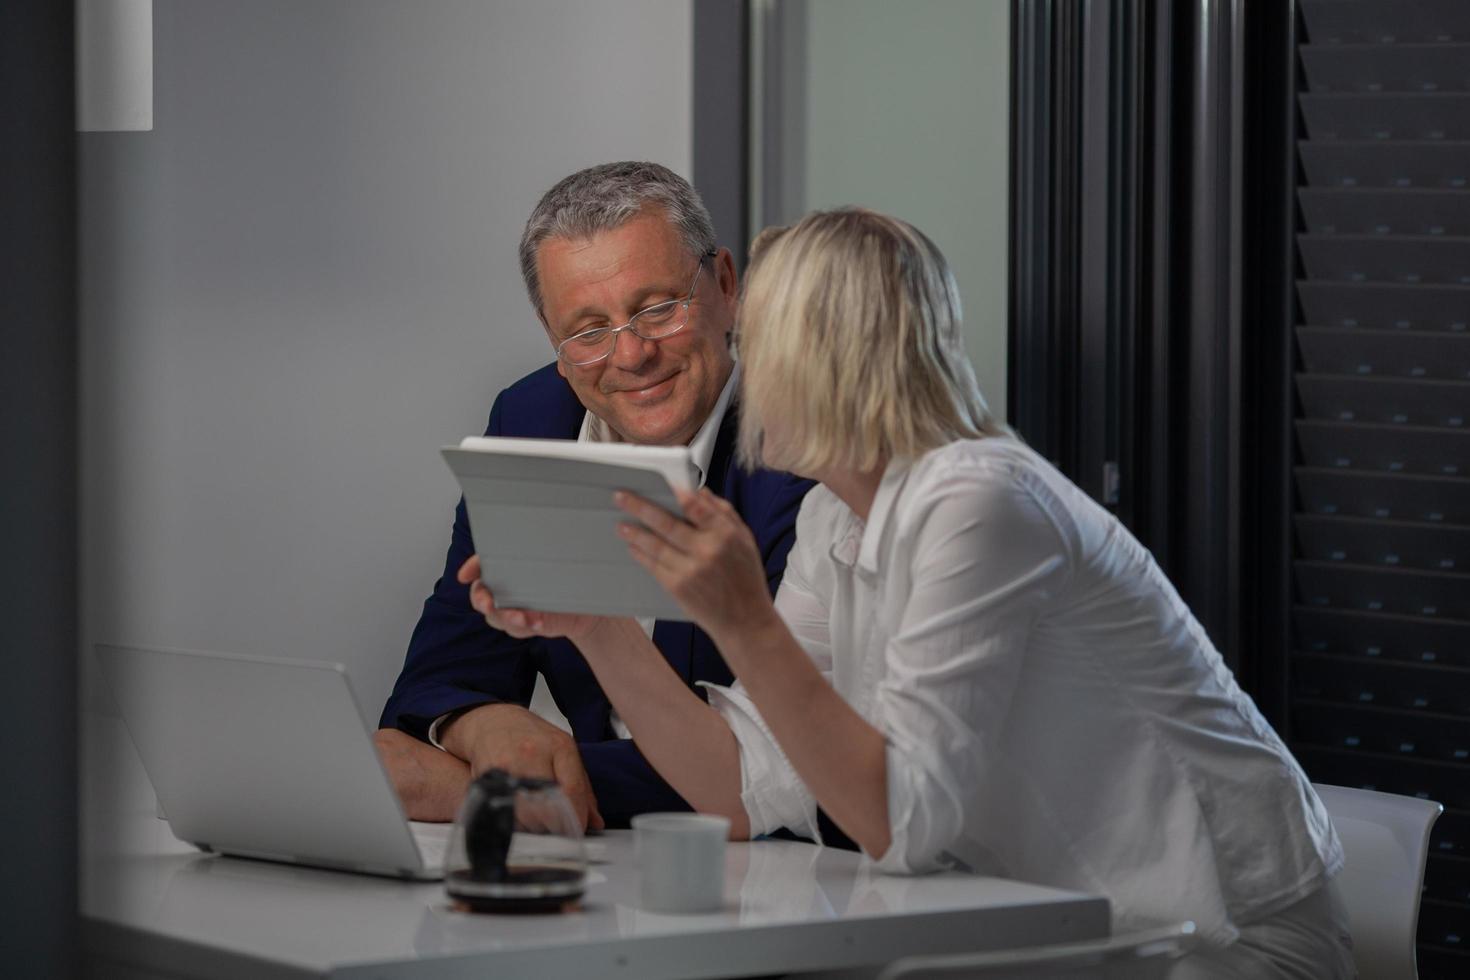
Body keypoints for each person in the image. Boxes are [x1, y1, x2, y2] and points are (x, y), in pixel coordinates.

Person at [465, 208, 1354, 977]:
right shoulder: (835, 521)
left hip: (1213, 942)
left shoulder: (980, 501)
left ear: (826, 357)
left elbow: (906, 824)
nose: (741, 357)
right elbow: (734, 795)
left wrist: (739, 617)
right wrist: (597, 628)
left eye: (760, 335)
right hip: (1053, 929)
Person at [374, 162, 813, 830]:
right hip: (607, 868)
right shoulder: (530, 419)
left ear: (726, 287)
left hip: (779, 873)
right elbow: (447, 667)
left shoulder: (801, 446)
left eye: (657, 308)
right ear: (553, 339)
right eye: (587, 331)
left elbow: (774, 767)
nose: (631, 354)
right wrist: (482, 723)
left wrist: (487, 793)